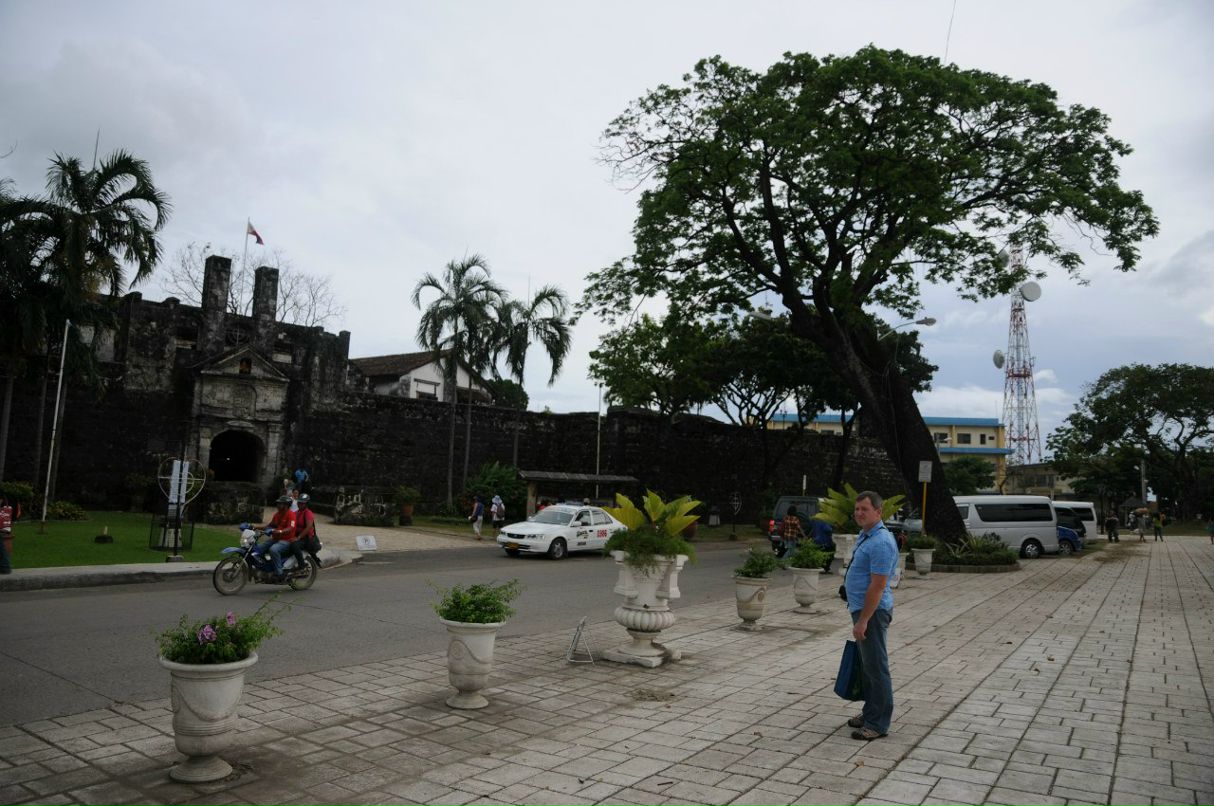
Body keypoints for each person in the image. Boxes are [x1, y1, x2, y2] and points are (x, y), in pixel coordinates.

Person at [845, 490, 898, 741]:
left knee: (876, 667)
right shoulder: (866, 536)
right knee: (868, 666)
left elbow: (877, 586)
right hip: (862, 609)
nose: (858, 513)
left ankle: (878, 724)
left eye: (864, 509)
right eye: (857, 509)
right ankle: (870, 713)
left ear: (879, 512)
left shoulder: (882, 542)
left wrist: (864, 620)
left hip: (873, 614)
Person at [255, 496, 298, 577]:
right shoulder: (277, 515)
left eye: (280, 504)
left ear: (286, 505)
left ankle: (279, 572)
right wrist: (253, 526)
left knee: (273, 550)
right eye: (278, 504)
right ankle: (265, 567)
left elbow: (290, 528)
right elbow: (268, 526)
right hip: (276, 539)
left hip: (286, 541)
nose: (277, 505)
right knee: (258, 549)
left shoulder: (291, 515)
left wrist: (280, 531)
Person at [292, 494, 320, 566]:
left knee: (294, 545)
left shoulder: (308, 513)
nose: (300, 504)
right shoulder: (296, 513)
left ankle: (302, 565)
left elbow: (308, 528)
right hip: (298, 536)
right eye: (299, 502)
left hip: (306, 539)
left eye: (302, 503)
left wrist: (298, 538)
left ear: (306, 504)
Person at [0, 495, 13, 574]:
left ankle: (5, 566)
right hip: (3, 529)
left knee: (1, 547)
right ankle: (5, 566)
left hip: (2, 529)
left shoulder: (5, 509)